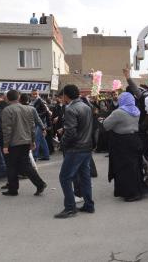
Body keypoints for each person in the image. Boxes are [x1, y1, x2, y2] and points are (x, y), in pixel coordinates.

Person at [55, 85, 95, 219]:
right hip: (86, 147)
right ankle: (89, 204)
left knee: (65, 177)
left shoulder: (70, 109)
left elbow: (71, 132)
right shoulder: (86, 107)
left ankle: (70, 207)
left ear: (66, 95)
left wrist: (62, 143)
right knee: (85, 177)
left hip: (75, 149)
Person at [1, 90, 47, 196]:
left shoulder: (7, 110)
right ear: (19, 97)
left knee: (12, 165)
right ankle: (39, 183)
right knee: (25, 164)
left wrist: (5, 145)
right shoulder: (28, 109)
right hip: (26, 140)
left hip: (14, 142)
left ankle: (13, 189)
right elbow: (32, 126)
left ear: (7, 98)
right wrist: (32, 140)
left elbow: (7, 129)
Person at [103, 92, 144, 202]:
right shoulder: (137, 111)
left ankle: (130, 193)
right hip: (135, 139)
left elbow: (106, 125)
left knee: (124, 168)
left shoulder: (119, 112)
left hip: (122, 142)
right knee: (135, 166)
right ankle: (139, 190)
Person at [30, 89, 50, 160]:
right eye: (33, 94)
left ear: (38, 94)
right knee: (42, 139)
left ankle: (35, 156)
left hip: (40, 122)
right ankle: (46, 155)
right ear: (31, 94)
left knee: (36, 139)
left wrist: (37, 115)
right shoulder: (32, 101)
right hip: (36, 122)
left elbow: (46, 112)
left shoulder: (41, 101)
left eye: (36, 94)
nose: (35, 95)